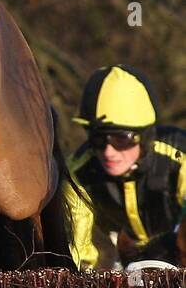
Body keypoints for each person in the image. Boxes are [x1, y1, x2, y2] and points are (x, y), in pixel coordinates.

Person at [64, 65, 186, 271]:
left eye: (121, 138)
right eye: (98, 139)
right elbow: (78, 253)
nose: (109, 152)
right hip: (124, 263)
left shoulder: (179, 156)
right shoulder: (77, 171)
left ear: (145, 136)